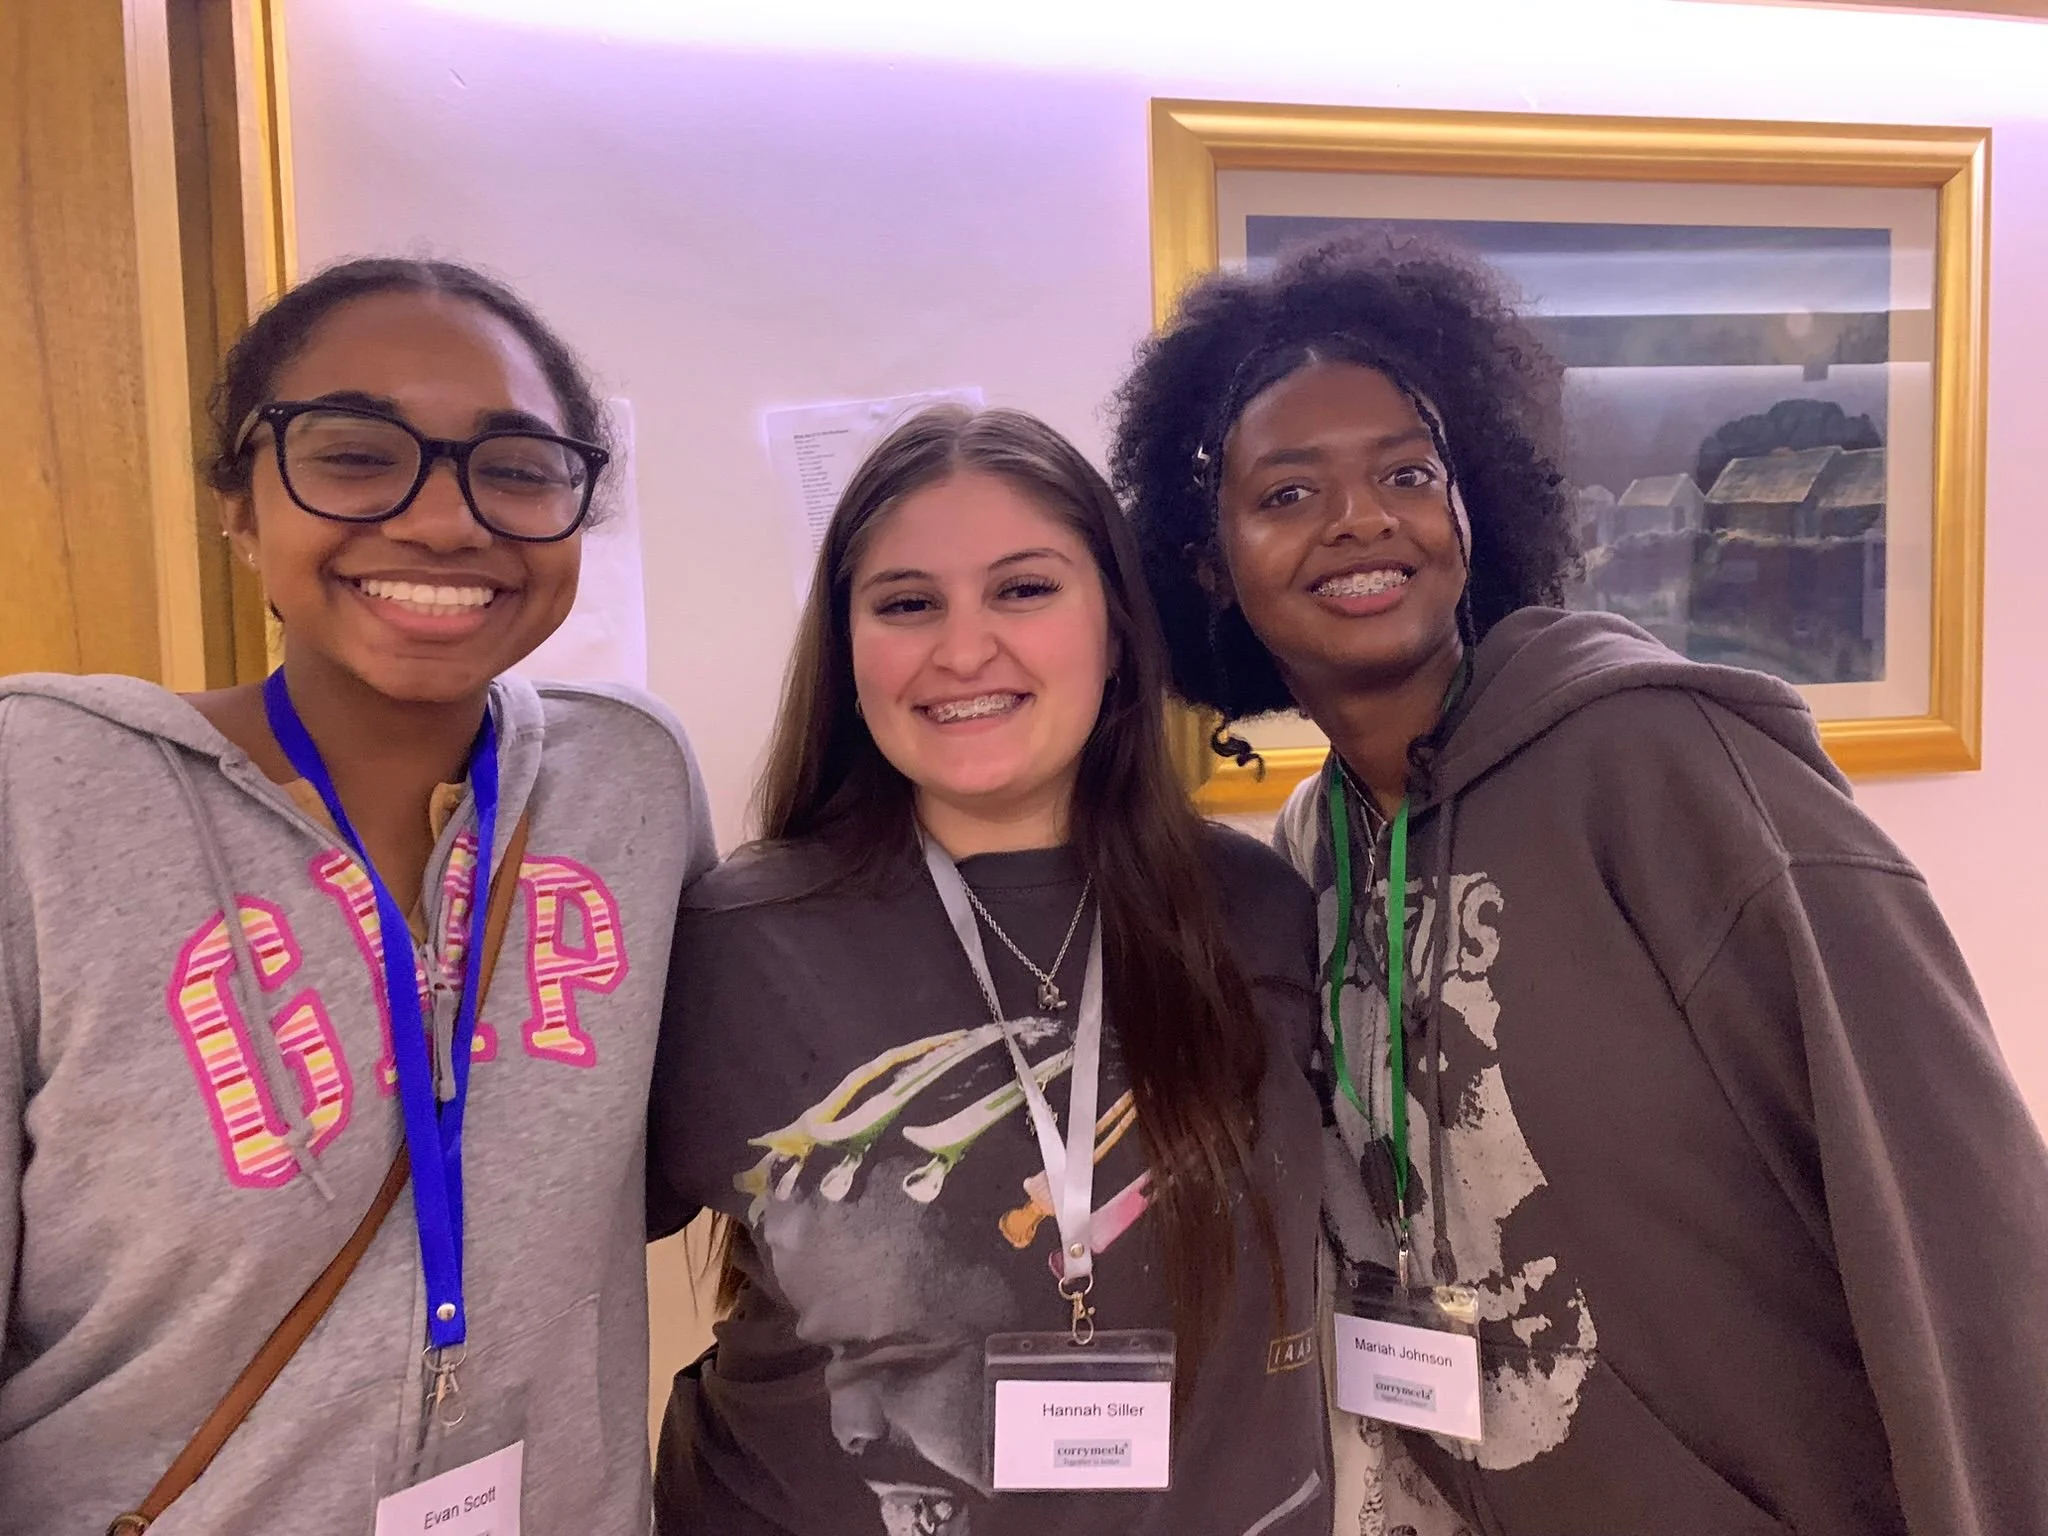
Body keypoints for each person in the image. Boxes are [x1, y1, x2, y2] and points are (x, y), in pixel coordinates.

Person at [1109, 232, 2048, 1536]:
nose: (1362, 521)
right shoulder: (1312, 849)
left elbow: (1959, 1210)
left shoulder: (1667, 762)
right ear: (1207, 562)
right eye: (1287, 495)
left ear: (1472, 504)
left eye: (1407, 473)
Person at [0, 257, 714, 1533]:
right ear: (237, 502)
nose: (446, 522)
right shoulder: (42, 797)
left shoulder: (633, 786)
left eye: (515, 466)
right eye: (350, 454)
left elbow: (662, 1169)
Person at [647, 406, 1331, 1536]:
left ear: (1113, 628)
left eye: (1022, 589)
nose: (962, 650)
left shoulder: (1260, 912)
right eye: (907, 603)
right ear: (848, 645)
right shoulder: (733, 938)